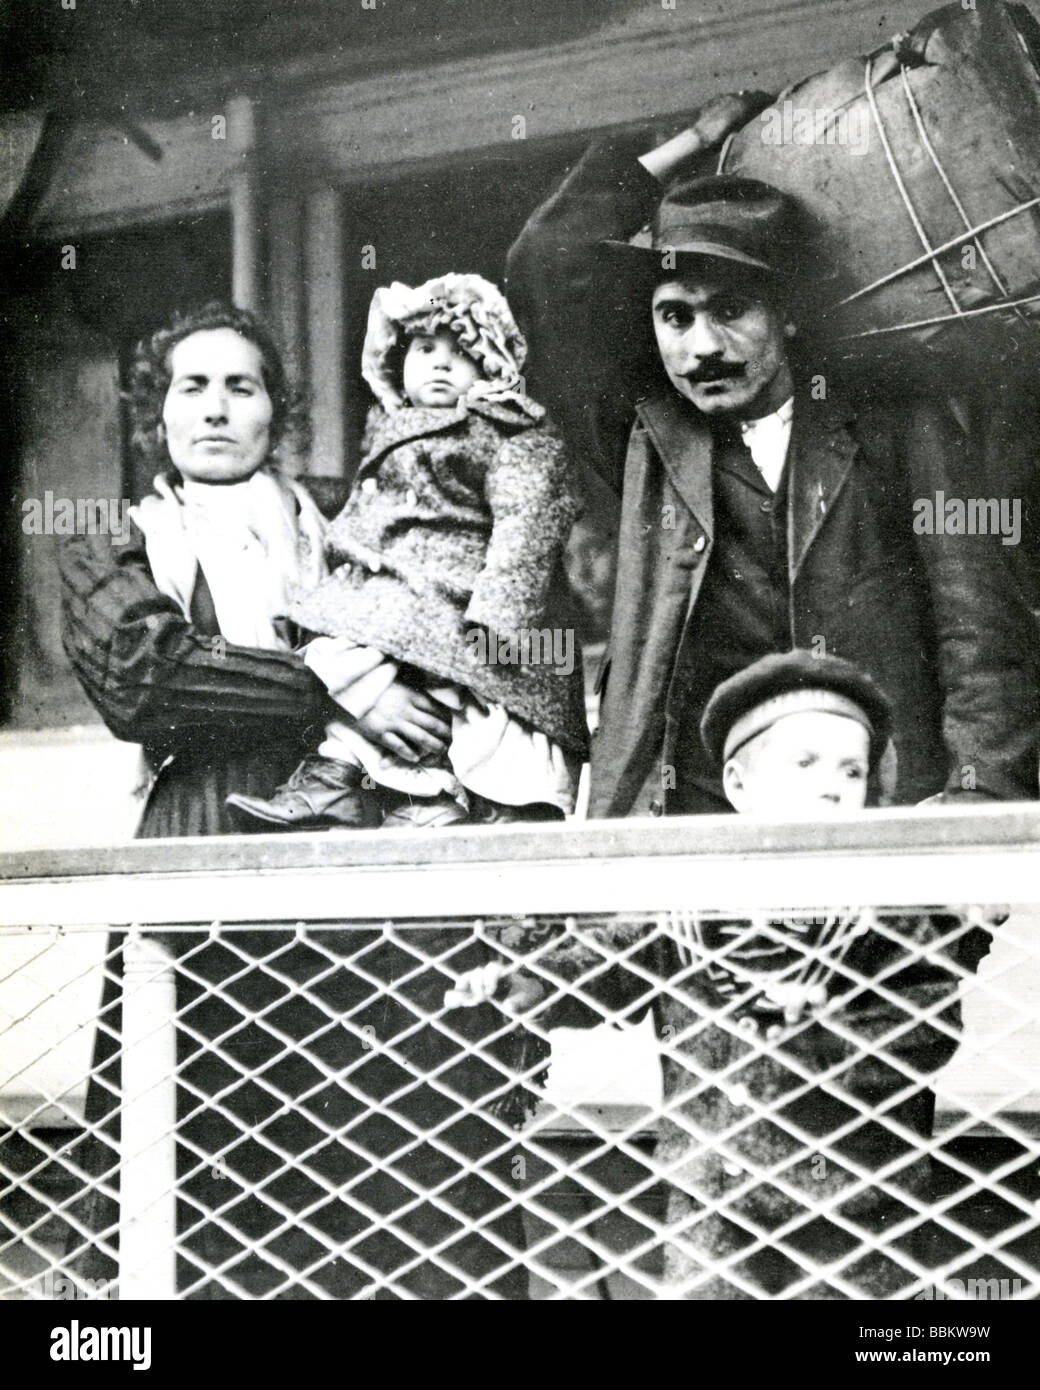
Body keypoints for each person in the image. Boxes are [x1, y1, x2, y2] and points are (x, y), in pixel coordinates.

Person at [60, 301, 536, 1298]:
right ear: (158, 414)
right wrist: (344, 681)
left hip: (368, 856)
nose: (217, 409)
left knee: (390, 1148)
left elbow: (456, 610)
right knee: (200, 1152)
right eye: (192, 386)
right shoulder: (115, 543)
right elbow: (152, 683)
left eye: (244, 386)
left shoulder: (353, 518)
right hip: (204, 852)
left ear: (278, 410)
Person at [505, 105, 1040, 817]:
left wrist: (978, 803)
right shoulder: (644, 436)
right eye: (676, 317)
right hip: (691, 835)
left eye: (732, 310)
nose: (703, 348)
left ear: (786, 313)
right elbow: (543, 261)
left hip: (873, 822)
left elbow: (981, 636)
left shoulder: (899, 427)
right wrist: (693, 143)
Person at [449, 650, 983, 1298]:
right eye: (805, 763)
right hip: (709, 1202)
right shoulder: (689, 901)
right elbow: (611, 964)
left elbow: (927, 1025)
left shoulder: (883, 910)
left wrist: (826, 1026)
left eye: (851, 771)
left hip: (850, 1208)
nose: (831, 786)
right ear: (738, 785)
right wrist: (529, 983)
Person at [229, 273, 588, 831]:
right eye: (425, 350)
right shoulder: (391, 433)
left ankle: (466, 808)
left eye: (462, 351)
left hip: (468, 599)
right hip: (401, 594)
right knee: (342, 653)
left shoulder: (510, 433)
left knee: (481, 721)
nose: (441, 363)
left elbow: (529, 522)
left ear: (493, 366)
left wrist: (497, 621)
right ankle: (343, 780)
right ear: (398, 364)